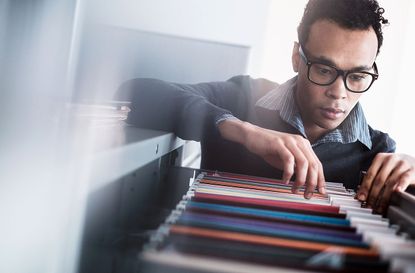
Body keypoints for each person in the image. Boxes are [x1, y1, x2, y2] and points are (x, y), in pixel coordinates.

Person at [116, 0, 415, 214]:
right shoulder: (242, 98)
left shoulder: (377, 154)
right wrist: (244, 131)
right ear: (297, 57)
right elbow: (136, 92)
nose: (339, 93)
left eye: (358, 76)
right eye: (324, 70)